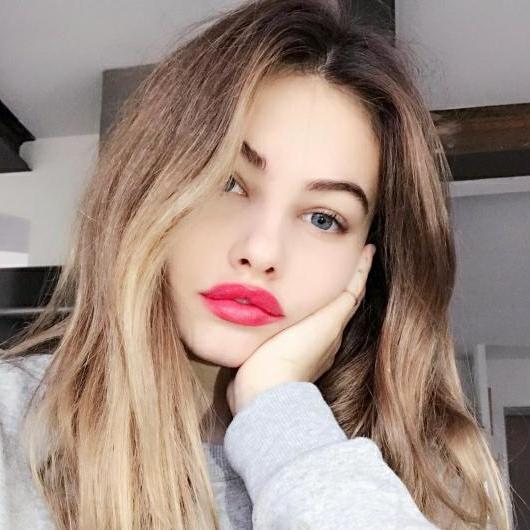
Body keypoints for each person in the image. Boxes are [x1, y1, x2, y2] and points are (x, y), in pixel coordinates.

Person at [0, 0, 513, 529]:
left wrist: (280, 412)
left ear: (367, 263)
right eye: (228, 182)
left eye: (323, 218)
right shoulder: (13, 426)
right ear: (150, 186)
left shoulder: (427, 479)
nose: (262, 251)